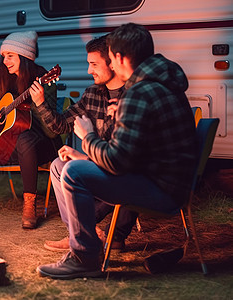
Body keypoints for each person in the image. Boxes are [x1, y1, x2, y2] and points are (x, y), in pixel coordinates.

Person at [36, 23, 197, 279]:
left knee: (74, 172)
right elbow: (138, 150)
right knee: (66, 164)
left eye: (108, 59)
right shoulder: (161, 83)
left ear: (119, 59)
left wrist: (87, 136)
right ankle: (87, 242)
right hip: (173, 184)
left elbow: (117, 162)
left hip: (161, 191)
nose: (107, 65)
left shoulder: (139, 92)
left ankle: (84, 257)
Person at [30, 35, 138, 252]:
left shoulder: (135, 95)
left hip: (125, 169)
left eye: (94, 64)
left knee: (128, 172)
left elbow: (131, 158)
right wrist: (41, 103)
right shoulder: (92, 95)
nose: (89, 71)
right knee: (58, 166)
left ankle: (110, 234)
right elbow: (59, 126)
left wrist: (85, 154)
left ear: (113, 63)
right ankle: (78, 233)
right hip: (101, 162)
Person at [0, 31, 63, 229]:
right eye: (3, 56)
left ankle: (30, 206)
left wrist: (39, 102)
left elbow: (53, 132)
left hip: (44, 145)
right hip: (10, 148)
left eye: (10, 56)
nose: (5, 61)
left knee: (25, 138)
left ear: (25, 56)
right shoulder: (3, 79)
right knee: (22, 139)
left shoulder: (43, 78)